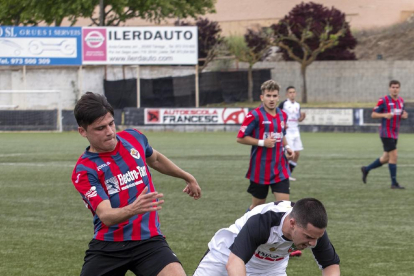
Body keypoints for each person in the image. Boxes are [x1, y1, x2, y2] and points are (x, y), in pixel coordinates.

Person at [71, 92, 201, 276]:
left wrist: (186, 176)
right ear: (83, 131)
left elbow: (154, 158)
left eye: (111, 123)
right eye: (100, 128)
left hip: (149, 241)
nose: (109, 132)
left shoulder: (133, 138)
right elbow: (106, 216)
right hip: (109, 245)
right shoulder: (84, 170)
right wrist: (134, 208)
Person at [193, 198, 340, 276]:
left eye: (316, 238)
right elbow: (234, 263)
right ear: (292, 223)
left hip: (270, 269)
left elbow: (330, 265)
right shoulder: (263, 220)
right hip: (226, 255)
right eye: (308, 237)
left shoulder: (314, 231)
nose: (313, 243)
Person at [237, 80, 294, 211]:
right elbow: (240, 138)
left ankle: (279, 232)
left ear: (278, 97)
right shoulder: (254, 115)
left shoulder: (282, 115)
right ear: (262, 97)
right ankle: (245, 227)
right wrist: (262, 142)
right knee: (257, 208)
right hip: (260, 170)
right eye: (268, 95)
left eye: (274, 96)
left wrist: (287, 147)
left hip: (280, 168)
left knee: (285, 208)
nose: (271, 99)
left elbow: (282, 133)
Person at [361, 80, 408, 189]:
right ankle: (394, 183)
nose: (395, 89)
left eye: (397, 87)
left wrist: (404, 115)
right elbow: (373, 114)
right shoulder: (383, 100)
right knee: (394, 156)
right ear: (389, 88)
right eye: (393, 87)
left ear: (399, 89)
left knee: (386, 158)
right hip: (386, 133)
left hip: (395, 133)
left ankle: (366, 169)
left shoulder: (401, 101)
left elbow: (401, 114)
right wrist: (384, 115)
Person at [278, 86, 306, 181]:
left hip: (296, 131)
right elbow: (277, 115)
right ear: (287, 94)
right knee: (290, 153)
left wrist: (302, 118)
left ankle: (287, 173)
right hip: (287, 132)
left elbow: (298, 119)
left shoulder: (297, 105)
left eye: (294, 92)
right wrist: (282, 124)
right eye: (290, 92)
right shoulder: (284, 104)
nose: (292, 94)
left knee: (297, 153)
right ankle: (280, 171)